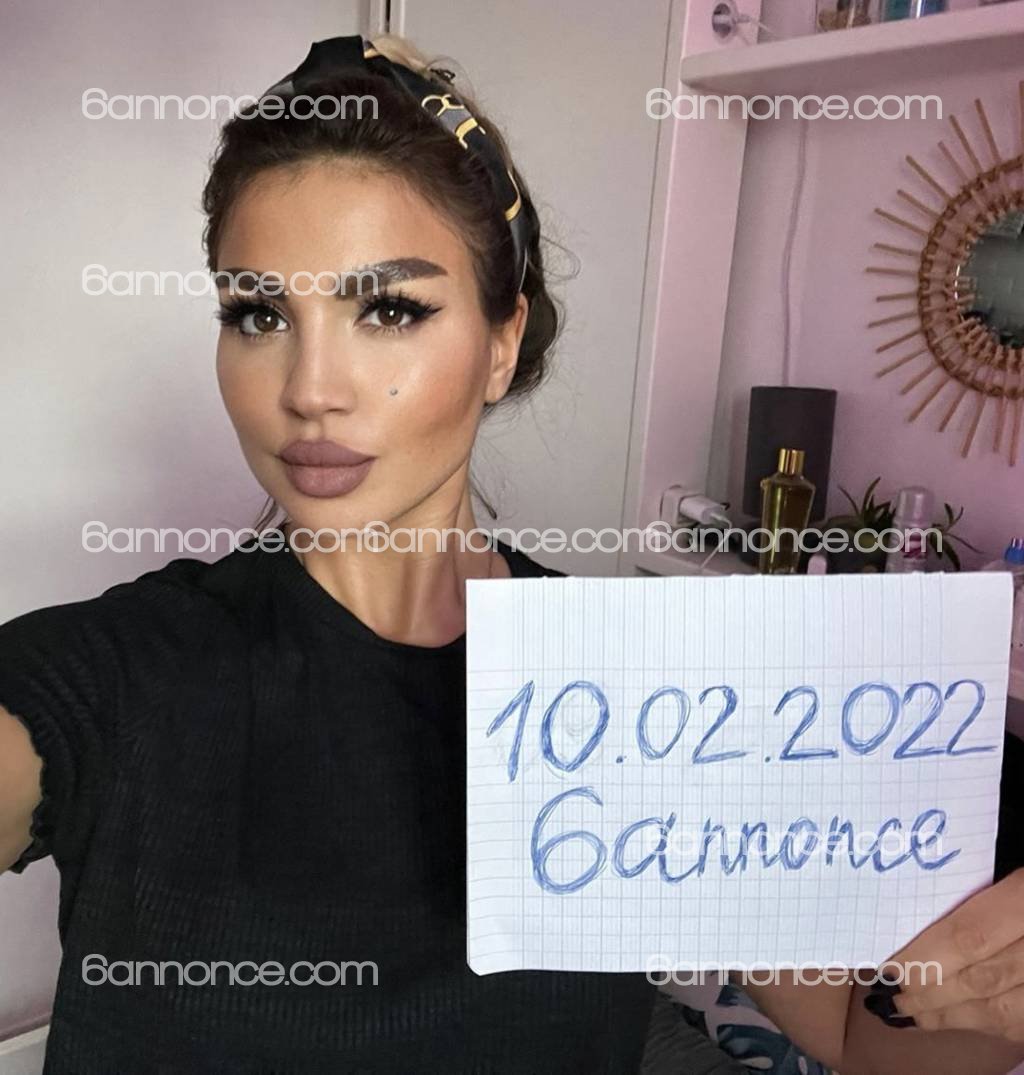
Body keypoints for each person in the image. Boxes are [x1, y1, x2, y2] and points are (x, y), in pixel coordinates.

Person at [0, 32, 1023, 1075]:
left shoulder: (643, 685)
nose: (309, 389)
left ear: (501, 342)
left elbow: (860, 1036)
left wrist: (978, 990)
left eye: (388, 309)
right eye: (259, 312)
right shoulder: (118, 672)